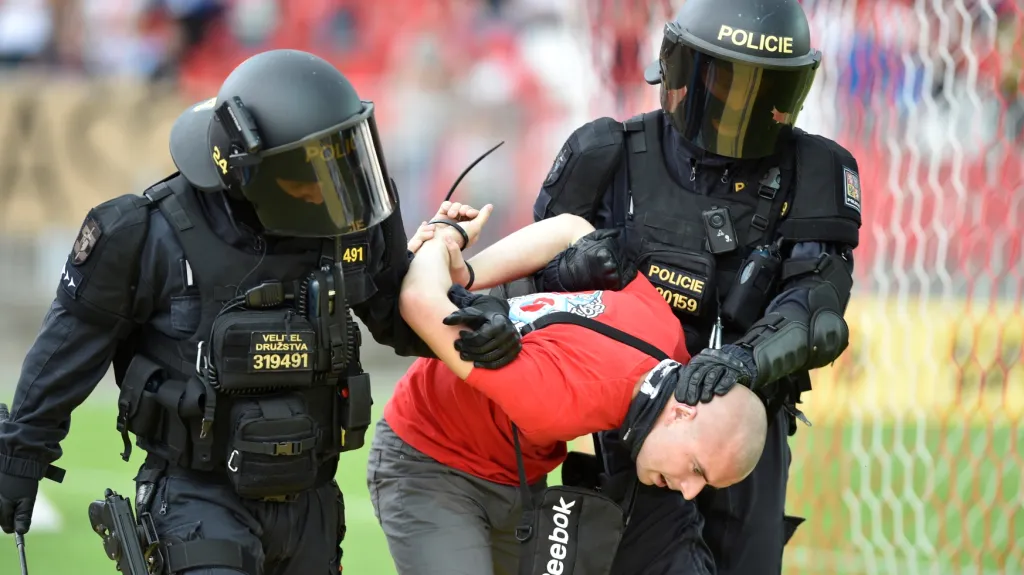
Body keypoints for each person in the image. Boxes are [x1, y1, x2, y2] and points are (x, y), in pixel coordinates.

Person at [0, 49, 521, 574]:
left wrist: (480, 318)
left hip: (311, 500)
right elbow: (70, 346)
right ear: (250, 171)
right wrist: (20, 456)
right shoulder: (142, 233)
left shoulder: (351, 222)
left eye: (340, 156)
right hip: (196, 500)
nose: (330, 185)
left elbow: (400, 316)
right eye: (310, 172)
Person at [530, 0, 860, 573]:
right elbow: (530, 291)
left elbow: (818, 312)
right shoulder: (605, 152)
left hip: (741, 436)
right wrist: (573, 270)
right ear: (678, 68)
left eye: (762, 92)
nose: (738, 107)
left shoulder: (815, 170)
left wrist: (742, 361)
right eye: (724, 82)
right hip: (626, 429)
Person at [367, 200, 768, 575]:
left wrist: (468, 273)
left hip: (519, 479)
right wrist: (442, 239)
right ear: (682, 412)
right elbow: (419, 302)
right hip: (430, 463)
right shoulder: (558, 401)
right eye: (696, 469)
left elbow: (571, 229)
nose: (687, 490)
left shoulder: (667, 338)